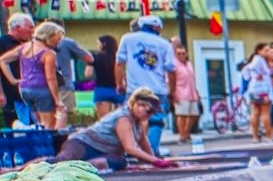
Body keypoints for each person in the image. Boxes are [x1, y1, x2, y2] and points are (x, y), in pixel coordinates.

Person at [48, 88, 176, 171]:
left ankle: (85, 167)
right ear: (133, 103)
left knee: (120, 162)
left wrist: (155, 161)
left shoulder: (137, 123)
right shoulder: (124, 118)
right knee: (61, 162)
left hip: (101, 153)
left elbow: (145, 145)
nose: (144, 111)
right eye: (141, 105)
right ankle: (35, 166)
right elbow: (130, 148)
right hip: (83, 144)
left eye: (149, 111)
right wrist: (157, 162)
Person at [115, 15, 178, 156]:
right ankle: (151, 151)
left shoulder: (128, 38)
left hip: (134, 89)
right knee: (155, 120)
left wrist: (119, 83)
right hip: (157, 89)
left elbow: (119, 62)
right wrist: (172, 91)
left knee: (132, 118)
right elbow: (172, 70)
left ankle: (132, 150)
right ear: (157, 28)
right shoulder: (164, 44)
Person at [0, 21, 64, 130]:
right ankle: (41, 141)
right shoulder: (48, 53)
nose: (59, 42)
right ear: (48, 35)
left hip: (25, 89)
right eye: (57, 38)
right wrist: (57, 100)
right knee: (48, 125)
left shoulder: (24, 47)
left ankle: (25, 129)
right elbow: (51, 78)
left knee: (39, 123)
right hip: (42, 90)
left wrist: (12, 80)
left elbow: (2, 60)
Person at [0, 13, 35, 126]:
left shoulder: (29, 44)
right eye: (30, 27)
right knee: (16, 124)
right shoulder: (0, 43)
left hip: (29, 92)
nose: (32, 31)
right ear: (18, 27)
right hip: (12, 92)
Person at [47, 17, 93, 126]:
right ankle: (58, 138)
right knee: (63, 112)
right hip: (63, 83)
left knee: (48, 115)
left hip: (44, 85)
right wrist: (90, 65)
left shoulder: (37, 44)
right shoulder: (67, 43)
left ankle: (47, 137)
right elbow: (88, 57)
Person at [241, 42, 273, 144]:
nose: (267, 52)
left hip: (253, 89)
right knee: (265, 113)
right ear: (259, 50)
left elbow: (246, 71)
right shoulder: (259, 59)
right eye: (265, 50)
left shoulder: (256, 59)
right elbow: (250, 68)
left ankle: (255, 136)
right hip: (263, 90)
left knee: (255, 112)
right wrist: (258, 74)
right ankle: (269, 135)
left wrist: (253, 76)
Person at [171, 42, 202, 143]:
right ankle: (182, 136)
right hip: (180, 92)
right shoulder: (174, 65)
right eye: (179, 54)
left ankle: (186, 133)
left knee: (194, 115)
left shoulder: (189, 64)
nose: (181, 55)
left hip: (192, 93)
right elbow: (171, 79)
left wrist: (197, 92)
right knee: (182, 115)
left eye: (183, 53)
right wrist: (173, 93)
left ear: (186, 54)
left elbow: (193, 79)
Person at [91, 35, 120, 118]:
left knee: (105, 121)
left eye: (98, 43)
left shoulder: (95, 57)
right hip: (118, 89)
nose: (97, 46)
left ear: (104, 44)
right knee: (120, 119)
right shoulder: (118, 57)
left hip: (102, 89)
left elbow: (88, 73)